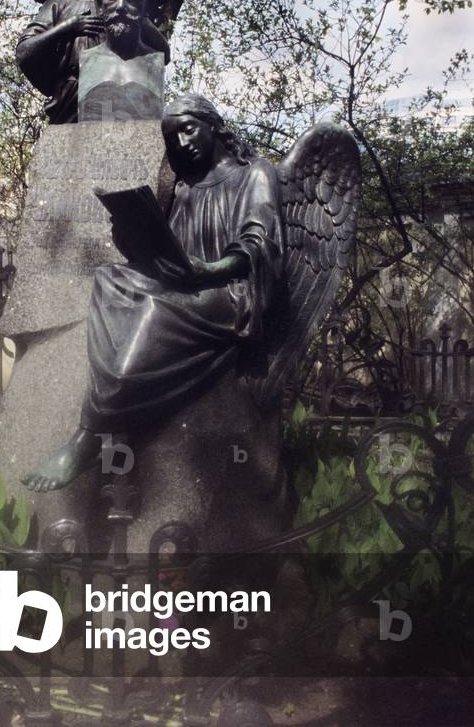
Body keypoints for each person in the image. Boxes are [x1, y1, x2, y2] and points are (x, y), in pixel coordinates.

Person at [22, 94, 285, 491]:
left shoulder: (255, 174)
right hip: (186, 284)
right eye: (172, 136)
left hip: (230, 293)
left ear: (213, 125)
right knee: (111, 279)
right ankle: (113, 388)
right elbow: (168, 250)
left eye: (189, 129)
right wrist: (131, 233)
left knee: (153, 311)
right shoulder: (184, 187)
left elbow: (260, 243)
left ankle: (89, 434)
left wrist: (210, 269)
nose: (181, 142)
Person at [16, 0, 169, 123]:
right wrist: (68, 27)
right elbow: (24, 51)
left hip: (121, 93)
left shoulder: (123, 3)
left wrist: (137, 15)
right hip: (71, 101)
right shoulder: (58, 4)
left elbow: (162, 53)